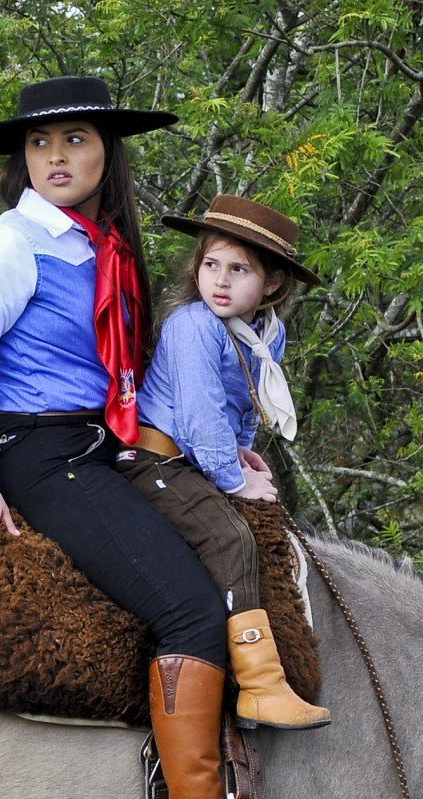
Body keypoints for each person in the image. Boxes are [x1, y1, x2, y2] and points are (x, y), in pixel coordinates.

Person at [0, 76, 294, 799]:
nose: (57, 157)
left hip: (101, 448)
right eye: (41, 144)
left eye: (77, 140)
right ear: (22, 159)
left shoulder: (101, 247)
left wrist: (232, 454)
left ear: (106, 154)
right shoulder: (12, 244)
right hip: (38, 452)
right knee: (190, 607)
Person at [119, 195, 331, 731]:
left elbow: (239, 405)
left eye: (239, 270)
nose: (220, 280)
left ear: (273, 285)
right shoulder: (194, 325)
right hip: (152, 458)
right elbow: (197, 413)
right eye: (211, 264)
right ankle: (260, 685)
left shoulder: (266, 334)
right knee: (230, 537)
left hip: (196, 453)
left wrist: (240, 448)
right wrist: (232, 479)